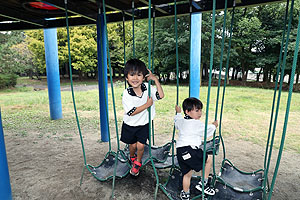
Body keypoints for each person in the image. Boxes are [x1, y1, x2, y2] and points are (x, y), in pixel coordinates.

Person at [120, 58, 164, 176]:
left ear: (143, 77)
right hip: (130, 124)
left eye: (139, 75)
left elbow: (160, 95)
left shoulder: (147, 87)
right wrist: (147, 105)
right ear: (127, 78)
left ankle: (138, 162)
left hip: (143, 124)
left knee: (141, 145)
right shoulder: (127, 93)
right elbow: (131, 112)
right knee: (133, 145)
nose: (135, 78)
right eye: (132, 75)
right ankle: (132, 156)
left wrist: (155, 79)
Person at [174, 97, 218, 200]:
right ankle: (203, 184)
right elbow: (206, 131)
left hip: (180, 152)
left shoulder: (181, 121)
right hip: (190, 150)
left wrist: (178, 112)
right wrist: (214, 126)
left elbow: (177, 121)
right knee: (207, 160)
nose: (200, 113)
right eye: (197, 110)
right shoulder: (196, 123)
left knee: (187, 173)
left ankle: (185, 194)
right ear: (188, 112)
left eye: (200, 110)